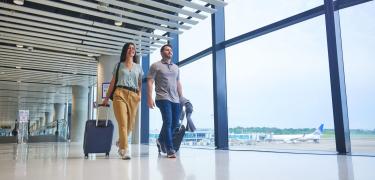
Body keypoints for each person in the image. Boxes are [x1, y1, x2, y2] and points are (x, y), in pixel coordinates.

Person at [103, 42, 143, 160]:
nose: (132, 50)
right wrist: (106, 98)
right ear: (125, 51)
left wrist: (139, 95)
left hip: (134, 95)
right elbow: (112, 82)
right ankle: (125, 150)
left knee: (130, 126)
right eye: (129, 48)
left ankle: (120, 142)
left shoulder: (138, 67)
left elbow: (140, 83)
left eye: (133, 48)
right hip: (120, 93)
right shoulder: (119, 65)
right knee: (123, 123)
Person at [147, 44, 183, 158]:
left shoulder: (176, 68)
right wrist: (149, 97)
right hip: (162, 98)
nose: (170, 51)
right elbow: (150, 81)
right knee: (168, 121)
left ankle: (160, 140)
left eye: (171, 50)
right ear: (162, 52)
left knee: (175, 124)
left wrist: (181, 97)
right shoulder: (155, 66)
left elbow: (178, 83)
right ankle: (169, 149)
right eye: (167, 50)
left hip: (175, 99)